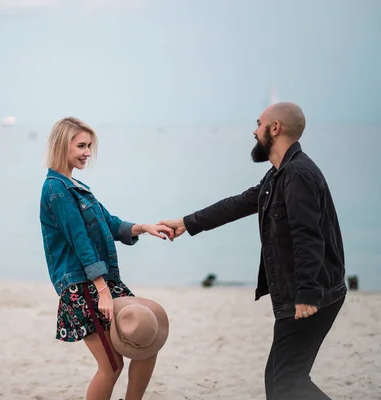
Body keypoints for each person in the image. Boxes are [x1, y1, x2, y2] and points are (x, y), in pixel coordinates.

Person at [160, 102, 347, 399]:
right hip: (300, 292)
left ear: (275, 128)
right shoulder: (279, 174)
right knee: (279, 380)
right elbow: (241, 202)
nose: (254, 130)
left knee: (286, 382)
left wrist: (307, 295)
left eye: (258, 124)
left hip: (311, 295)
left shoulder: (297, 175)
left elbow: (308, 238)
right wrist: (187, 222)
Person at [39, 117, 174, 400]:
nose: (88, 152)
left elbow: (108, 223)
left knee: (147, 341)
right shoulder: (56, 189)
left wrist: (143, 228)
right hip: (83, 286)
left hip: (102, 281)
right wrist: (102, 291)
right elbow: (80, 242)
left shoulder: (76, 185)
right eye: (81, 145)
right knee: (111, 366)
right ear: (63, 145)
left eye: (89, 146)